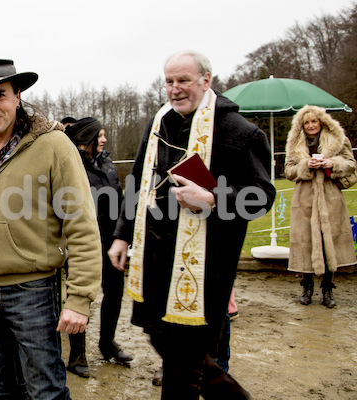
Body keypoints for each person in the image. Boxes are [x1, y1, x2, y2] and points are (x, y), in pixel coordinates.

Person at [107, 50, 275, 400]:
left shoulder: (241, 132)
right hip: (154, 262)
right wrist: (122, 236)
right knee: (165, 342)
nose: (175, 89)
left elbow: (262, 196)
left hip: (203, 271)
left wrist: (213, 198)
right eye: (168, 81)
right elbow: (137, 180)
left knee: (183, 363)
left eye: (183, 80)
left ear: (206, 80)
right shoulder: (158, 124)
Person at [0, 58, 102, 399]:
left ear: (18, 95)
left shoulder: (54, 147)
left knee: (45, 391)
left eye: (0, 95)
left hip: (33, 291)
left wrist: (80, 298)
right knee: (1, 389)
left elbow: (82, 226)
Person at [64, 117, 132, 379]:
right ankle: (77, 354)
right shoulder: (74, 165)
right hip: (84, 243)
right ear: (87, 139)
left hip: (111, 239)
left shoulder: (106, 161)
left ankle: (107, 343)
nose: (104, 140)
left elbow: (120, 197)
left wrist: (123, 235)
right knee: (82, 296)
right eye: (99, 135)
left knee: (115, 292)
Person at [284, 105, 357, 308]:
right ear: (302, 124)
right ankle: (306, 287)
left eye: (314, 121)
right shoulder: (295, 143)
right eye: (306, 122)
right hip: (304, 199)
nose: (310, 126)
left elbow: (351, 164)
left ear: (321, 121)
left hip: (330, 197)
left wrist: (331, 163)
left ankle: (328, 289)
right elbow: (289, 171)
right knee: (305, 242)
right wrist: (305, 166)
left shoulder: (337, 139)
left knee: (329, 242)